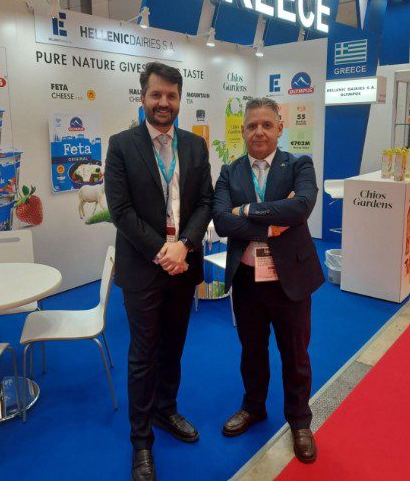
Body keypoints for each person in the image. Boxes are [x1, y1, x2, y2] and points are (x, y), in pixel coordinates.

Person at [104, 61, 213, 481]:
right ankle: (141, 441)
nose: (163, 102)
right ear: (143, 97)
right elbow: (121, 211)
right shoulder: (121, 145)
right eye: (156, 94)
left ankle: (166, 411)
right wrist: (162, 250)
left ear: (180, 99)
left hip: (183, 265)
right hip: (143, 268)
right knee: (143, 354)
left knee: (173, 347)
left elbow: (204, 202)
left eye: (171, 95)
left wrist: (184, 244)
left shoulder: (195, 146)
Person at [212, 97, 324, 464]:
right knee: (252, 350)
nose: (258, 132)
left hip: (290, 277)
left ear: (279, 128)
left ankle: (300, 421)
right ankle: (254, 407)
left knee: (295, 353)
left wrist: (245, 210)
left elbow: (301, 206)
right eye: (251, 126)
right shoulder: (230, 172)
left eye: (266, 125)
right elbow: (221, 221)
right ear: (243, 131)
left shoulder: (299, 165)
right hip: (247, 279)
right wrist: (273, 222)